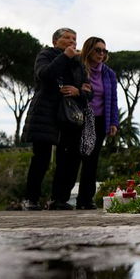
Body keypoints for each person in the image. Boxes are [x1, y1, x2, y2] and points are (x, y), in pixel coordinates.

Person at [21, 27, 90, 210]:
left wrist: (78, 91)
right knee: (41, 158)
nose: (72, 41)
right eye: (67, 38)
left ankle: (58, 199)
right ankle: (31, 199)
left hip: (69, 116)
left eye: (74, 38)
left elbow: (88, 90)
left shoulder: (79, 63)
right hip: (45, 113)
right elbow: (44, 75)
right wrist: (64, 56)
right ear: (55, 41)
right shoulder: (46, 55)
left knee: (67, 160)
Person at [74, 37, 121, 210]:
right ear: (89, 50)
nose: (102, 54)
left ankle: (86, 199)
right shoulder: (78, 67)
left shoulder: (109, 74)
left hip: (99, 121)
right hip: (79, 118)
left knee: (91, 161)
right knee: (73, 158)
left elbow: (113, 100)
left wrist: (114, 122)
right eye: (98, 50)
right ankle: (60, 198)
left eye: (104, 51)